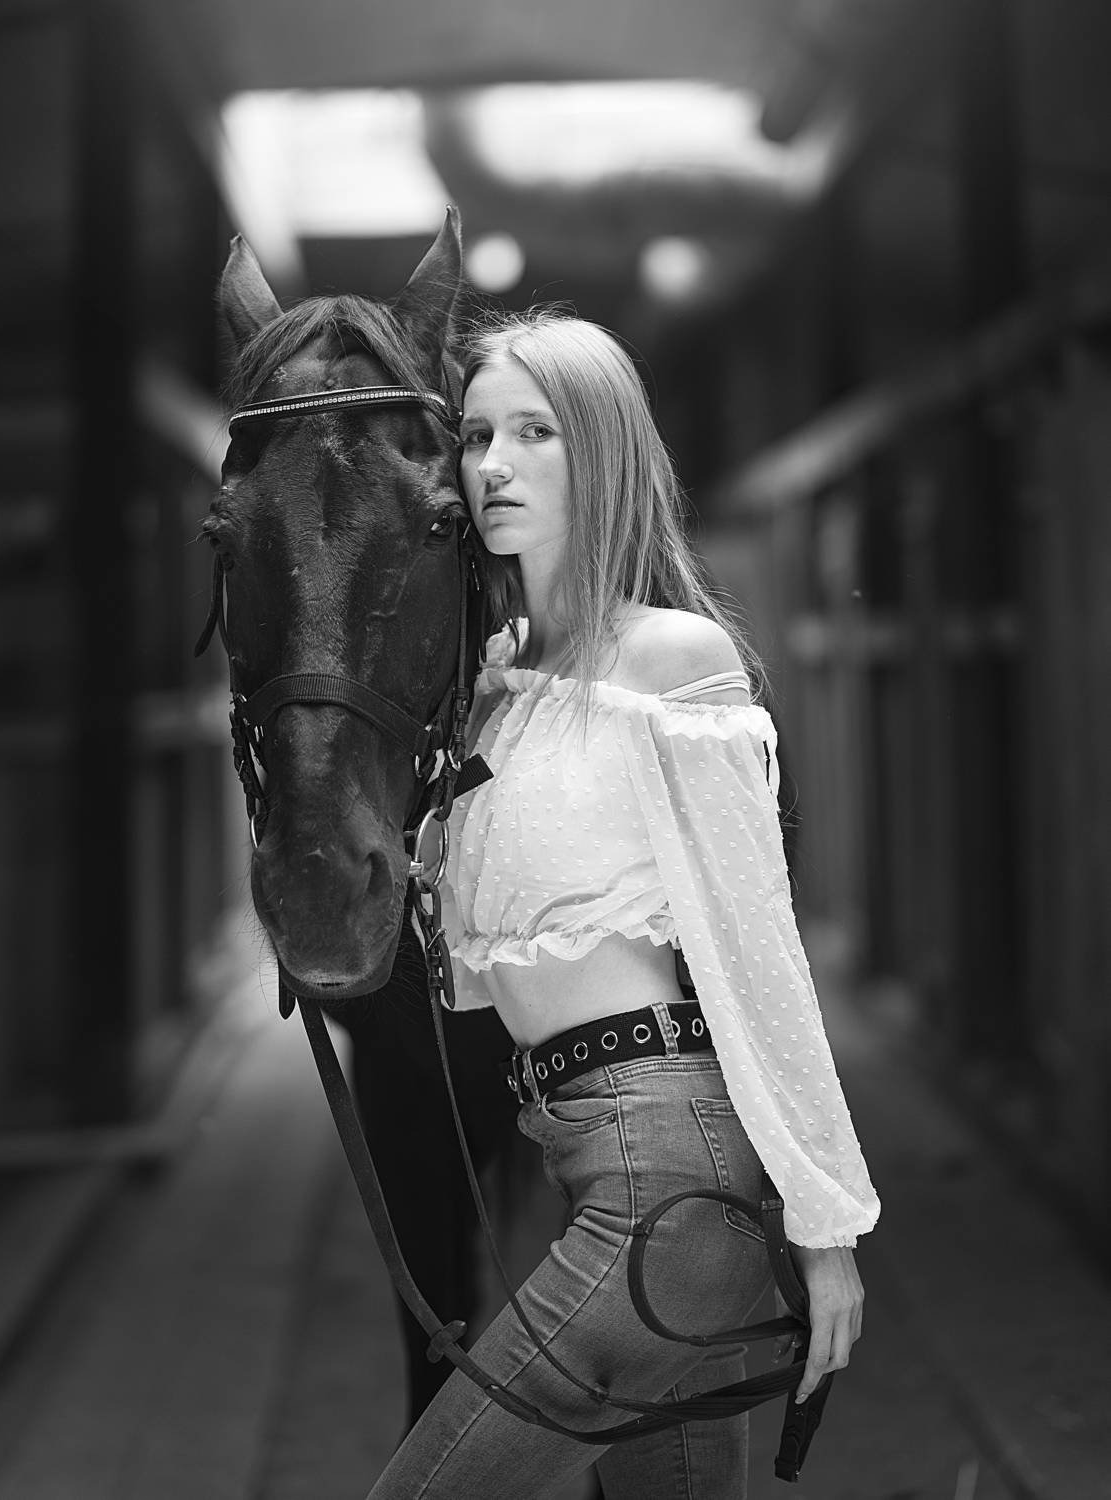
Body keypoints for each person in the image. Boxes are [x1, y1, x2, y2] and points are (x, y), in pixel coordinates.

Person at [367, 311, 879, 1500]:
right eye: (476, 435)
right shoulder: (498, 693)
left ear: (599, 450)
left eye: (532, 432)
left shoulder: (671, 661)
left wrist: (824, 1225)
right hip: (587, 1153)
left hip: (668, 1181)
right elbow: (465, 969)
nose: (491, 465)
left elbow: (755, 950)